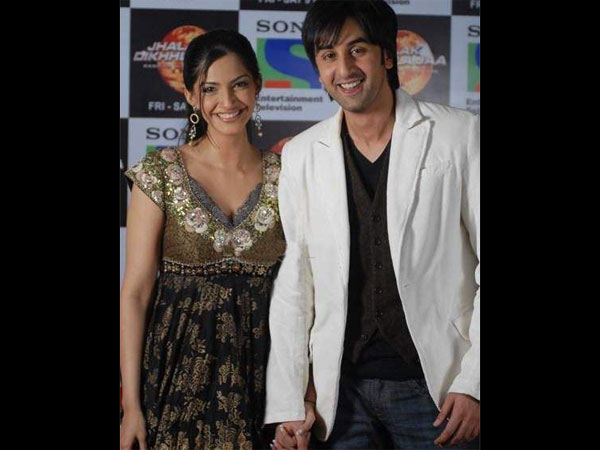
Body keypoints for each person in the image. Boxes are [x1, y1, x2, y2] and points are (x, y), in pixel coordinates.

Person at [264, 1, 480, 449]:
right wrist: (291, 397)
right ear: (318, 70)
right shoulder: (301, 154)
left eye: (357, 50)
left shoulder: (460, 134)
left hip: (438, 389)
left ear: (387, 55)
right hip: (340, 396)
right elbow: (295, 283)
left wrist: (474, 382)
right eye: (328, 55)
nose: (344, 68)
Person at [120, 29, 286, 450]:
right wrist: (132, 406)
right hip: (173, 381)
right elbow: (135, 293)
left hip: (263, 382)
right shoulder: (159, 173)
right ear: (192, 97)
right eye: (210, 89)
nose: (227, 102)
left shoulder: (287, 175)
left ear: (258, 86)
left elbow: (307, 292)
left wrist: (302, 395)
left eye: (239, 84)